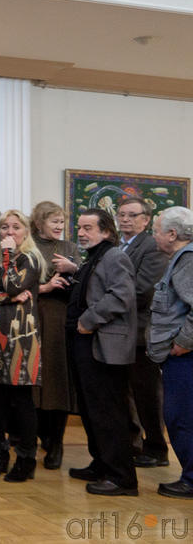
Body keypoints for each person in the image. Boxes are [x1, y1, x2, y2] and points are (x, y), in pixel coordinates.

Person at [66, 208, 139, 496]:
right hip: (86, 344)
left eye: (88, 228)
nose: (81, 233)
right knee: (91, 409)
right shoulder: (93, 257)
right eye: (80, 227)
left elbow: (122, 296)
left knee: (109, 412)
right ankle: (101, 464)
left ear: (106, 231)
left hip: (104, 345)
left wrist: (88, 320)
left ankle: (122, 478)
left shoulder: (114, 256)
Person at [0, 209, 45, 482]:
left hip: (22, 338)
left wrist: (8, 255)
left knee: (21, 401)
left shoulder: (30, 258)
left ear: (26, 232)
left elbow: (14, 284)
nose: (10, 232)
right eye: (5, 227)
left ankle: (26, 460)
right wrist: (7, 299)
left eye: (16, 227)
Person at [116, 197, 169, 468]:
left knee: (146, 393)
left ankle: (157, 448)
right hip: (117, 331)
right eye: (121, 214)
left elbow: (143, 289)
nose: (125, 219)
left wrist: (106, 298)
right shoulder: (117, 245)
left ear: (146, 220)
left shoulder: (151, 247)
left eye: (132, 215)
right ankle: (132, 443)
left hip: (141, 332)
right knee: (123, 392)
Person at [29, 201, 79, 470]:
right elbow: (18, 283)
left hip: (59, 320)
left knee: (57, 380)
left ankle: (57, 443)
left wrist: (72, 271)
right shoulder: (28, 246)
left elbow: (82, 285)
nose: (60, 226)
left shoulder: (70, 248)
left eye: (62, 221)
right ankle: (40, 435)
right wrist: (45, 286)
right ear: (39, 223)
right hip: (32, 317)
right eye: (54, 221)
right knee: (33, 378)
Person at [148, 206, 193, 499]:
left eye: (156, 231)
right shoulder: (181, 259)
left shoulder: (187, 261)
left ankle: (191, 480)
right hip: (181, 355)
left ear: (172, 234)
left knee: (181, 417)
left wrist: (184, 342)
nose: (153, 236)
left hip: (185, 356)